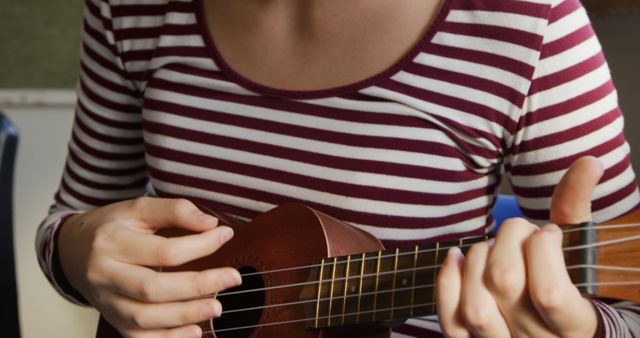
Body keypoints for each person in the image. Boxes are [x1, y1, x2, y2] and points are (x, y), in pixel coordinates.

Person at [36, 0, 640, 337]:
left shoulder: (530, 22)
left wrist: (583, 332)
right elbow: (70, 217)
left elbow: (629, 311)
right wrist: (74, 249)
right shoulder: (130, 8)